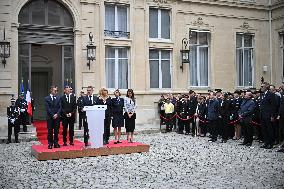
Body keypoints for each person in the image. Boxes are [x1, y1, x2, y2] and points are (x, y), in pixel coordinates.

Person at [259, 82, 277, 149]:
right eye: (261, 86)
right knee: (264, 129)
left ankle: (270, 143)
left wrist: (272, 116)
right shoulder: (262, 94)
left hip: (268, 115)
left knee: (269, 129)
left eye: (262, 86)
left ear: (266, 87)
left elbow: (273, 106)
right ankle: (266, 142)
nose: (261, 87)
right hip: (262, 115)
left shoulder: (271, 94)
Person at [277, 83, 284, 153]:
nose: (281, 86)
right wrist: (279, 114)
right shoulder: (282, 94)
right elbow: (281, 106)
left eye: (282, 85)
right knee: (282, 131)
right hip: (281, 115)